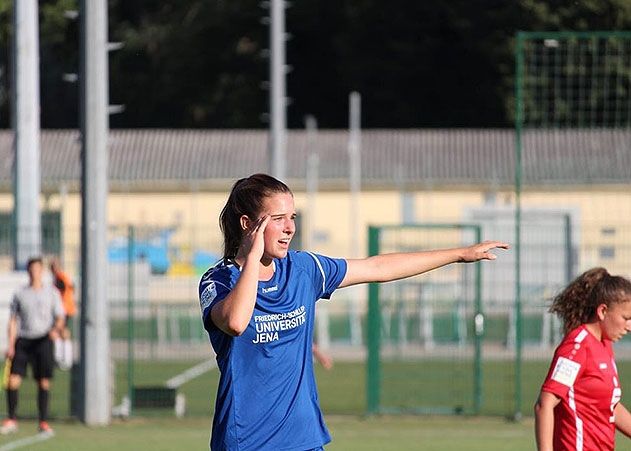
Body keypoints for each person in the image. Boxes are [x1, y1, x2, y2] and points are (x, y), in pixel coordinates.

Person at [198, 173, 508, 451]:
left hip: (303, 439)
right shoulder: (219, 280)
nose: (290, 228)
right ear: (247, 224)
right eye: (277, 218)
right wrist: (252, 258)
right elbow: (237, 323)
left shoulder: (304, 269)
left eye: (292, 217)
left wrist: (458, 254)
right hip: (246, 441)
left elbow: (376, 267)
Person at [534, 267, 631, 451]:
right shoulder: (577, 346)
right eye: (625, 318)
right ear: (603, 311)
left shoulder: (604, 344)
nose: (629, 326)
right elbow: (545, 403)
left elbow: (609, 406)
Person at [1, 257, 65, 436]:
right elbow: (13, 320)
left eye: (37, 269)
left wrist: (55, 330)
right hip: (24, 340)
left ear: (41, 271)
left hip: (43, 340)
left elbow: (60, 317)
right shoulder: (21, 293)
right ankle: (11, 419)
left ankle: (43, 422)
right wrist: (11, 344)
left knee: (43, 382)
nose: (34, 272)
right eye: (31, 269)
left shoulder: (51, 293)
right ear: (28, 271)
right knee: (13, 380)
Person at [50, 258, 76, 370]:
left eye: (53, 266)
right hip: (65, 308)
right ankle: (61, 358)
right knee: (61, 332)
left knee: (63, 332)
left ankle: (65, 359)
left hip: (64, 309)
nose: (52, 269)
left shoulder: (60, 277)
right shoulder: (62, 277)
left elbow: (63, 291)